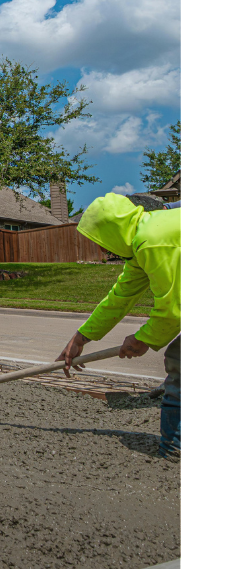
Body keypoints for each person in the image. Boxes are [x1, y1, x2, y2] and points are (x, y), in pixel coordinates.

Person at [57, 193, 181, 457]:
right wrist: (82, 337)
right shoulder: (145, 237)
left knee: (179, 363)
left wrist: (142, 339)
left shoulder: (152, 242)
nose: (103, 249)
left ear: (111, 231)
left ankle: (173, 448)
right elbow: (120, 297)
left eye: (101, 240)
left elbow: (172, 311)